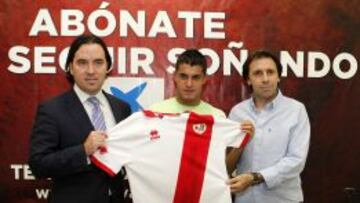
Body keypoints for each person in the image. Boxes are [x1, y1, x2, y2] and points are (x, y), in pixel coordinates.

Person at [29, 34, 132, 203]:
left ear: (108, 67)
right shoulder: (52, 110)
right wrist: (83, 151)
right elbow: (38, 164)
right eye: (82, 63)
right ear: (70, 67)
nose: (91, 71)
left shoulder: (122, 107)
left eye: (98, 62)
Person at [226, 50, 311, 203]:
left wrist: (255, 178)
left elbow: (296, 161)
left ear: (278, 77)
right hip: (246, 199)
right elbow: (227, 163)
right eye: (258, 73)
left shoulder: (296, 110)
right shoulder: (237, 113)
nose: (265, 79)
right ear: (248, 80)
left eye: (270, 72)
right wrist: (241, 143)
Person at [148, 49, 225, 117]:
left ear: (204, 79)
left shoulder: (217, 117)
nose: (189, 84)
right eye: (183, 76)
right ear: (174, 76)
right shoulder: (155, 113)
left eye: (196, 77)